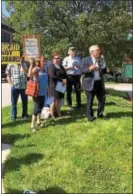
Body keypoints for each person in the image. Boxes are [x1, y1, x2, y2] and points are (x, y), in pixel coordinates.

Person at [81, 45, 107, 121]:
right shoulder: (85, 60)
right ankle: (90, 117)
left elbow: (104, 71)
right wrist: (90, 68)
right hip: (90, 83)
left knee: (102, 99)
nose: (99, 51)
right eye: (97, 50)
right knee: (90, 100)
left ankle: (100, 114)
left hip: (99, 83)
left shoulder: (101, 59)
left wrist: (103, 66)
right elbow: (82, 70)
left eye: (99, 50)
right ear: (92, 52)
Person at [28, 56, 48, 132]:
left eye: (45, 60)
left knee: (40, 106)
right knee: (37, 108)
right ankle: (32, 125)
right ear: (39, 62)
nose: (45, 62)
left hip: (43, 92)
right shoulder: (36, 69)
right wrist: (31, 64)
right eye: (43, 61)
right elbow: (29, 75)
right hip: (37, 92)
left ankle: (38, 121)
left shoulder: (44, 70)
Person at [48, 52, 67, 117]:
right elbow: (52, 76)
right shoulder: (51, 66)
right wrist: (62, 80)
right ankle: (52, 115)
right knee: (52, 101)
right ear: (52, 59)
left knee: (59, 101)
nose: (57, 59)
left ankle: (59, 113)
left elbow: (65, 74)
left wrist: (65, 80)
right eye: (55, 58)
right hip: (53, 86)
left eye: (58, 58)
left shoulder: (61, 66)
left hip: (61, 85)